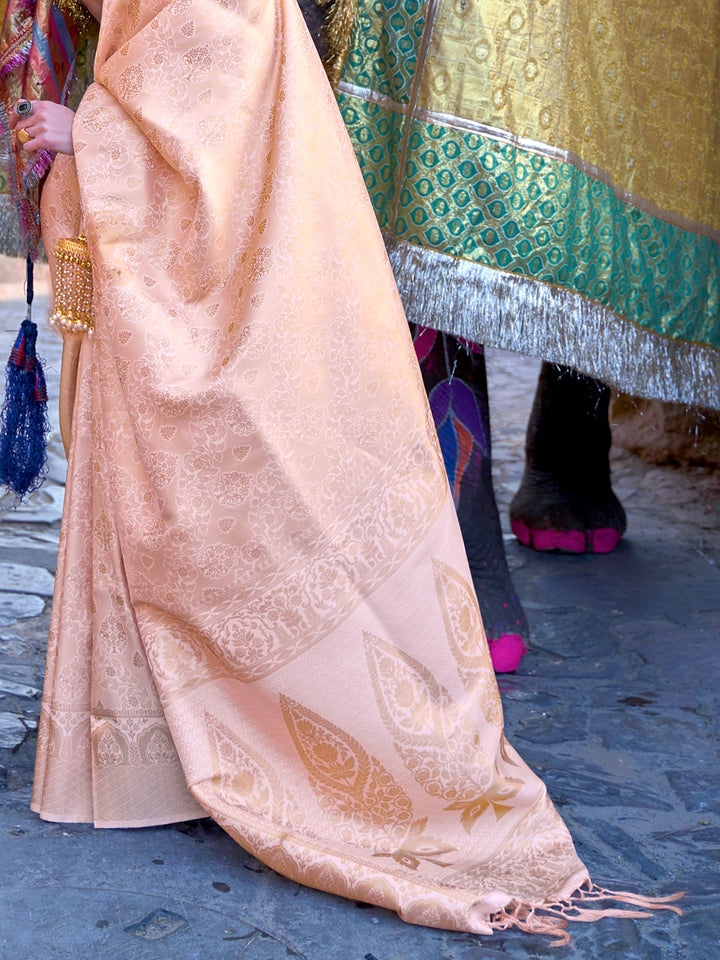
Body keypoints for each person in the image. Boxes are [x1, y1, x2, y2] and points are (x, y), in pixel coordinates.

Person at [14, 0, 679, 944]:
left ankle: (317, 725)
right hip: (197, 192)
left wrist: (95, 131)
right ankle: (153, 744)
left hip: (230, 220)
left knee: (230, 482)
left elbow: (222, 58)